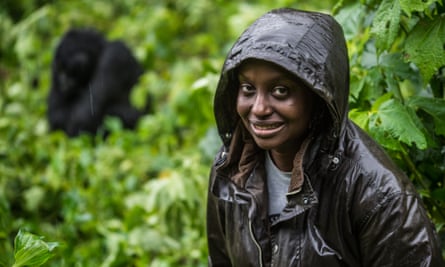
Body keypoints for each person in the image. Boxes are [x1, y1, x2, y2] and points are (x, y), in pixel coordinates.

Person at [206, 7, 444, 267]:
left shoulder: (378, 195)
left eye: (281, 90)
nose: (259, 108)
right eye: (248, 88)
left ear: (318, 95)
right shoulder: (231, 168)